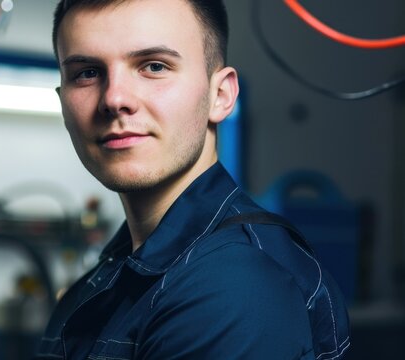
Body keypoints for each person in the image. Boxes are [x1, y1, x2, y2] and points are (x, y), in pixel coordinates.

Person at [35, 0, 350, 359]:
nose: (114, 99)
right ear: (63, 102)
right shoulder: (111, 278)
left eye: (154, 66)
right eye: (87, 73)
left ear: (221, 96)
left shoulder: (235, 286)